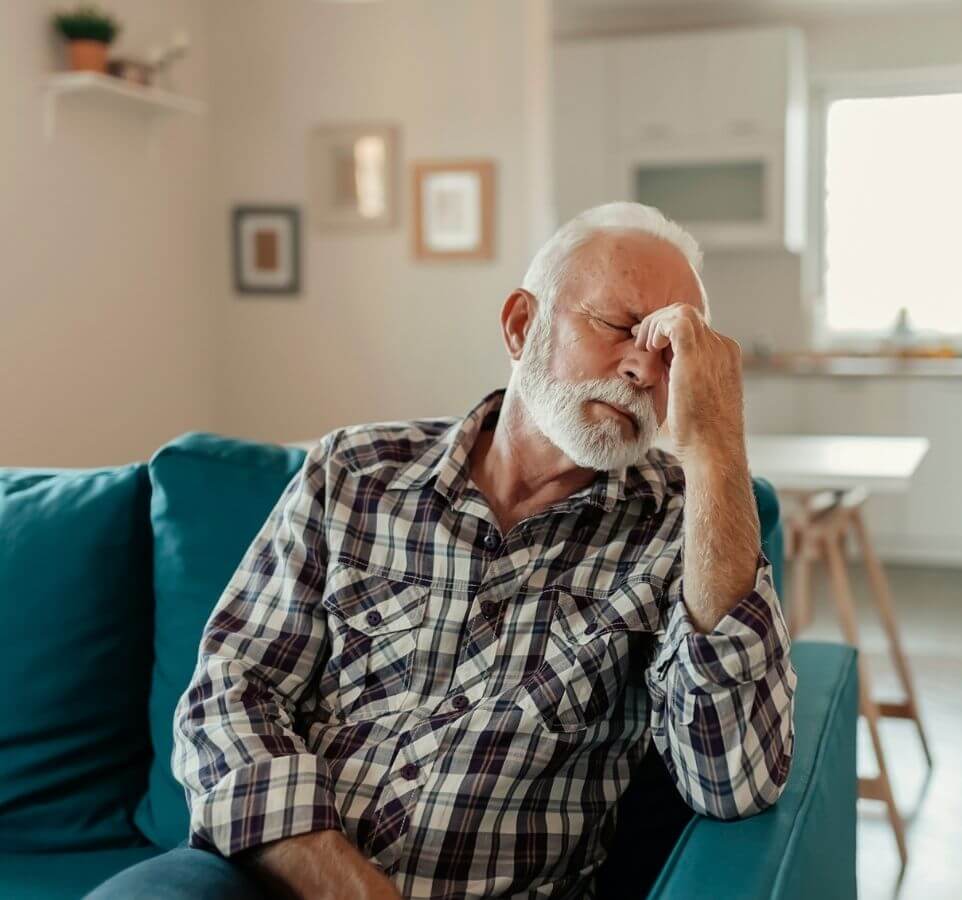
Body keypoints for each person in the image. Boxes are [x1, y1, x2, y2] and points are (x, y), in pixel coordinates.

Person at [88, 202, 796, 900]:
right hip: (261, 878)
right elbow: (228, 698)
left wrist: (716, 450)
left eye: (673, 355)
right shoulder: (356, 470)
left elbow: (733, 780)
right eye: (617, 327)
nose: (644, 369)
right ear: (523, 325)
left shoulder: (681, 527)